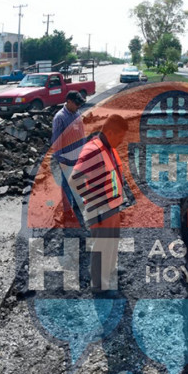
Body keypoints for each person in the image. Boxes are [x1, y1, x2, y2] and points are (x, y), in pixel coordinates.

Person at [69, 114, 129, 293]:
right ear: (109, 132)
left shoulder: (108, 147)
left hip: (111, 206)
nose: (121, 141)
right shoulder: (93, 150)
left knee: (111, 243)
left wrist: (119, 203)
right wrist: (94, 204)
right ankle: (99, 286)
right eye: (119, 136)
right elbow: (74, 180)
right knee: (101, 247)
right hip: (100, 208)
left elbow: (113, 176)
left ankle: (109, 273)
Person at [51, 91, 87, 222]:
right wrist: (60, 158)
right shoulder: (60, 118)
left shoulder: (77, 114)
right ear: (69, 102)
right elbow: (56, 140)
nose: (78, 106)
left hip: (78, 156)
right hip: (66, 158)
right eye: (76, 103)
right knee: (66, 185)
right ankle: (67, 210)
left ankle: (77, 205)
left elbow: (81, 133)